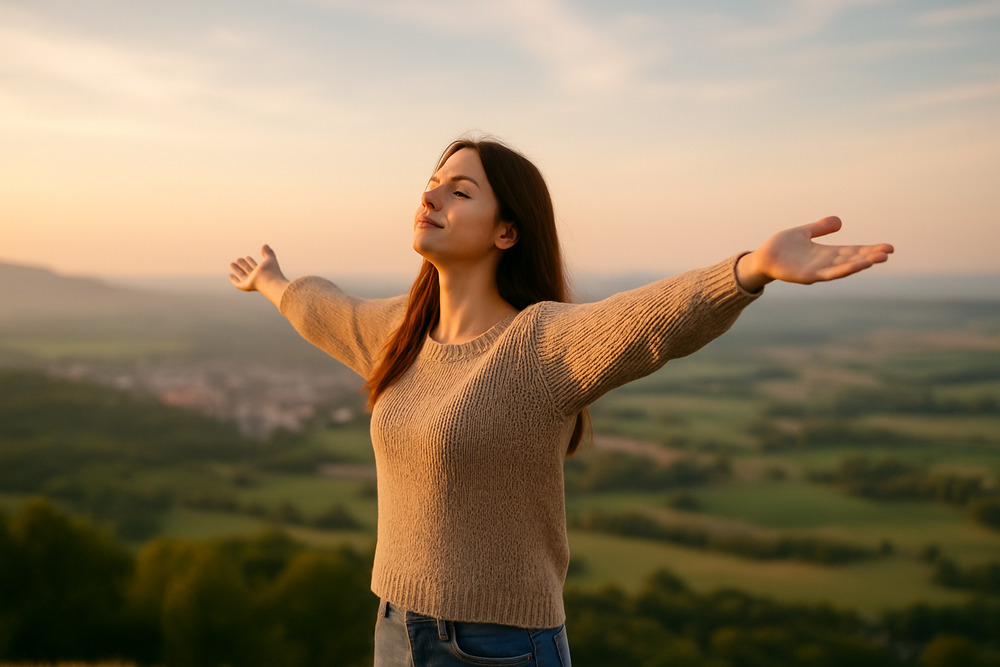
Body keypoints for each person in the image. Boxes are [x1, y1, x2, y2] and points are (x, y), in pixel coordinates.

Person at [228, 137, 893, 667]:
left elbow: (649, 321)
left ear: (506, 233)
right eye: (432, 183)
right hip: (394, 628)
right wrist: (273, 281)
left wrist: (749, 269)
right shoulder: (399, 334)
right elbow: (327, 311)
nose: (432, 194)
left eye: (460, 190)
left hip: (498, 646)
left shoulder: (538, 343)